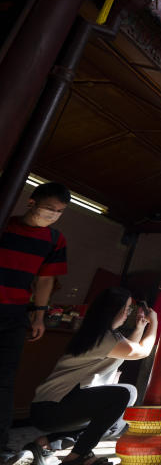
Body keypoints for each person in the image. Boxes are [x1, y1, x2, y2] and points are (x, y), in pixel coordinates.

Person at [12, 287, 157, 465]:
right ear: (113, 310)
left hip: (60, 407)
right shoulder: (102, 338)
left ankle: (46, 445)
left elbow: (128, 350)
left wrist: (141, 327)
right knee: (126, 393)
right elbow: (141, 352)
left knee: (117, 424)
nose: (127, 313)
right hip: (50, 409)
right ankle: (78, 456)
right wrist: (154, 322)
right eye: (126, 309)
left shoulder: (105, 336)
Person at [0, 182, 71, 461]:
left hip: (15, 314)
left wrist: (40, 315)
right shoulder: (6, 223)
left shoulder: (55, 239)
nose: (53, 215)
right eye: (49, 209)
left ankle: (2, 443)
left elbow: (45, 279)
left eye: (59, 211)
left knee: (4, 381)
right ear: (31, 203)